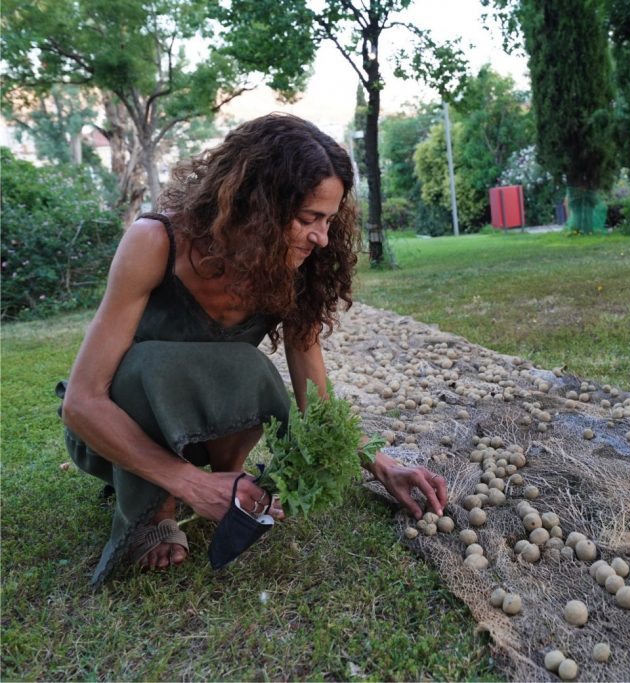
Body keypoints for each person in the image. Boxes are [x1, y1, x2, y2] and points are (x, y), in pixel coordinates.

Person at [60, 113, 447, 585]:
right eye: (309, 219)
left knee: (246, 366)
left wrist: (380, 464)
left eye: (329, 220)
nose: (322, 238)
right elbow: (82, 403)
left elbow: (314, 394)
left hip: (205, 432)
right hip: (116, 430)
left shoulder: (295, 266)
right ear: (257, 205)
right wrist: (189, 484)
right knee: (146, 363)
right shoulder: (155, 242)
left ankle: (231, 480)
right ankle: (157, 505)